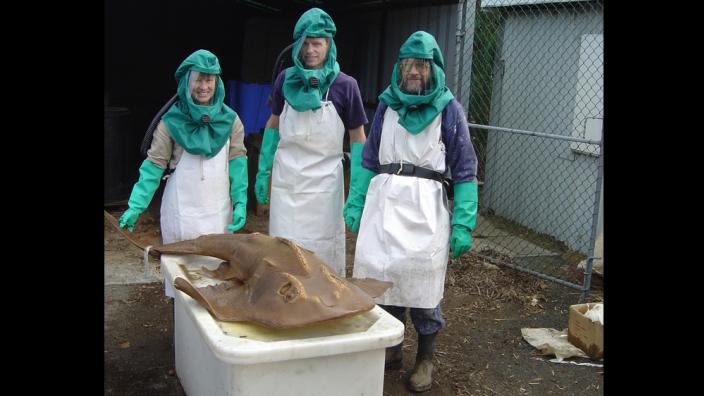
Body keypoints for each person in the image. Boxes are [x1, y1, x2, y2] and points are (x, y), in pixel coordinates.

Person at [343, 31, 479, 393]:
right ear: (399, 69)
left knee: (421, 283)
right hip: (383, 202)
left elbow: (465, 170)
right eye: (408, 65)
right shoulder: (387, 105)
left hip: (426, 208)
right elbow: (370, 158)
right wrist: (356, 200)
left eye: (421, 65)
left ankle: (425, 358)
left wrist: (464, 222)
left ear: (433, 70)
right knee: (382, 277)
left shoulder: (450, 110)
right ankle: (391, 348)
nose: (414, 72)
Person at [119, 49, 248, 298]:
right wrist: (136, 205)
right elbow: (154, 165)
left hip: (218, 213)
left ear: (217, 83)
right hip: (182, 213)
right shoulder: (170, 122)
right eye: (198, 79)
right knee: (182, 281)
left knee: (216, 279)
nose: (204, 86)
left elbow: (237, 162)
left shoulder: (231, 121)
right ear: (186, 82)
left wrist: (241, 201)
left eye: (209, 80)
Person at [254, 7, 367, 277]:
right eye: (304, 43)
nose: (310, 50)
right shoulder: (285, 80)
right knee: (284, 255)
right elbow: (274, 122)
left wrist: (358, 192)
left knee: (322, 258)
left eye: (317, 43)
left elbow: (358, 137)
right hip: (287, 184)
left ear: (329, 44)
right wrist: (263, 171)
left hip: (324, 187)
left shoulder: (345, 86)